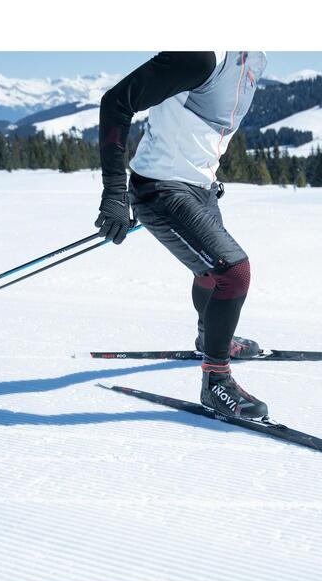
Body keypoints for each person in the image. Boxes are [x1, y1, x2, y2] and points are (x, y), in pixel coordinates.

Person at [95, 51, 269, 419]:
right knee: (233, 273)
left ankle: (211, 340)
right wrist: (114, 192)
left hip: (198, 187)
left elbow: (207, 129)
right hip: (160, 188)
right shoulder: (202, 54)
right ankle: (216, 381)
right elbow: (115, 102)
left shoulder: (255, 58)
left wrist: (203, 175)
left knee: (208, 272)